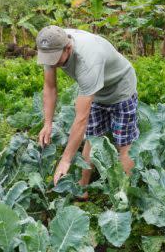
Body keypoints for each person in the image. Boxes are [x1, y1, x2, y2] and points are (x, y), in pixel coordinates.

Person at [35, 25, 139, 198]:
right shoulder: (52, 42)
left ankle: (122, 194)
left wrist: (66, 160)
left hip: (120, 89)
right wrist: (47, 123)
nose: (52, 63)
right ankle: (83, 188)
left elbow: (81, 118)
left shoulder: (88, 61)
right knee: (91, 138)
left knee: (124, 143)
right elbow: (50, 87)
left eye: (55, 59)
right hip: (95, 91)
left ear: (68, 48)